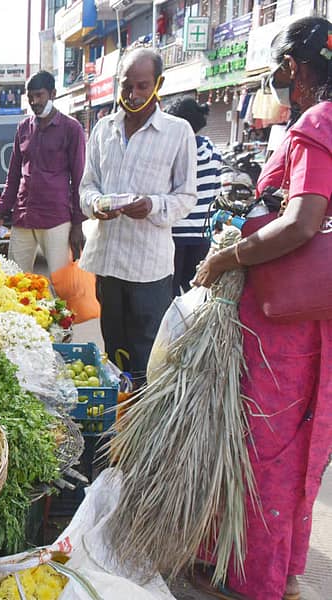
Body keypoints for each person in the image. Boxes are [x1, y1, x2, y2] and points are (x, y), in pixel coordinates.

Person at [192, 17, 332, 600]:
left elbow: (301, 222)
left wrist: (225, 259)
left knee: (264, 445)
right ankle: (286, 571)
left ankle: (252, 577)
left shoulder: (317, 123)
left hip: (285, 327)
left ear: (295, 69)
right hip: (318, 317)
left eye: (281, 71)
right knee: (300, 446)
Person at [79, 48, 197, 384]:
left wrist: (153, 205)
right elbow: (87, 186)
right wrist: (96, 205)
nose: (132, 95)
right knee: (115, 349)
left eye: (142, 86)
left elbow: (186, 196)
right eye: (126, 86)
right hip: (108, 261)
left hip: (149, 268)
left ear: (159, 84)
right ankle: (121, 405)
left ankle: (146, 412)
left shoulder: (178, 132)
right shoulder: (103, 129)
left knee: (148, 352)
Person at [0, 70, 86, 276]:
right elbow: (13, 175)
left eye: (39, 95)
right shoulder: (23, 127)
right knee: (14, 278)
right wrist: (1, 212)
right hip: (23, 215)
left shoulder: (71, 128)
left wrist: (78, 224)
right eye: (30, 96)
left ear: (52, 94)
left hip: (56, 218)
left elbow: (79, 178)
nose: (34, 101)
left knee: (62, 283)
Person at [164, 97, 223, 295]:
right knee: (195, 293)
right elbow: (216, 192)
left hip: (174, 235)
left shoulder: (171, 151)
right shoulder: (212, 150)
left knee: (170, 294)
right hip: (201, 235)